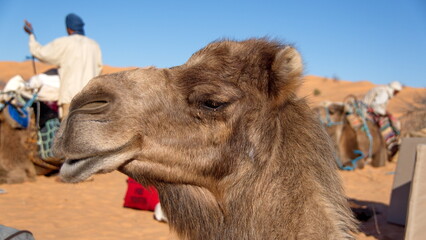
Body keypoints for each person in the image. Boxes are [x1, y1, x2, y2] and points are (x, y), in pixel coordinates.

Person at [23, 13, 102, 119]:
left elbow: (40, 53)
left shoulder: (65, 43)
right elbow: (99, 69)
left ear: (69, 29)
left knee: (69, 133)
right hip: (91, 101)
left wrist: (31, 35)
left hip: (71, 100)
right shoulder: (94, 45)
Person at [363, 81, 403, 157]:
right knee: (386, 123)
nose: (396, 94)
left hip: (368, 111)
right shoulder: (384, 93)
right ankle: (392, 146)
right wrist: (386, 114)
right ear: (393, 89)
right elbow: (375, 107)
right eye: (396, 91)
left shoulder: (383, 90)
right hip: (368, 113)